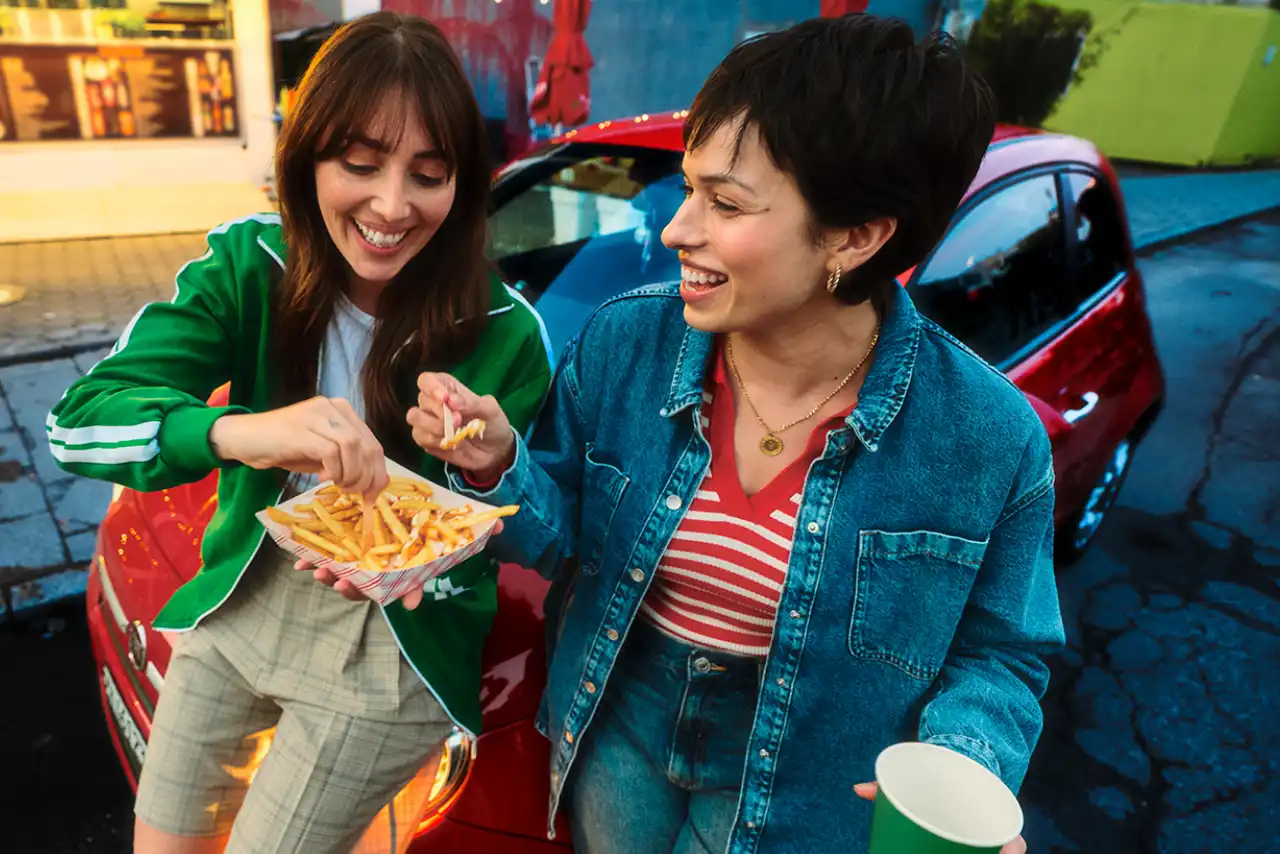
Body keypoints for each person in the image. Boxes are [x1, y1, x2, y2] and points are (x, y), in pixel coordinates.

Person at [401, 15, 1063, 854]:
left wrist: (960, 767)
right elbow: (563, 539)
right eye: (688, 189)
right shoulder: (624, 346)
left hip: (814, 781)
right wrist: (499, 466)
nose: (677, 230)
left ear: (856, 237)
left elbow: (1003, 655)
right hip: (621, 722)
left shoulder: (987, 438)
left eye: (726, 202)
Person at [46, 12, 551, 854]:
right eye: (360, 165)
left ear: (462, 185)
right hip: (245, 593)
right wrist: (245, 432)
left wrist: (495, 466)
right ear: (307, 156)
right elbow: (78, 427)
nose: (392, 207)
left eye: (429, 176)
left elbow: (542, 535)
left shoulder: (507, 332)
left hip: (395, 645)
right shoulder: (250, 265)